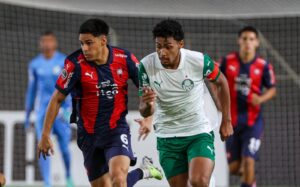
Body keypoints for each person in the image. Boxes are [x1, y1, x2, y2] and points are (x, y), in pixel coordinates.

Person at [37, 18, 163, 187]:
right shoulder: (75, 64)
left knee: (118, 179)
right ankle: (144, 171)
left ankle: (141, 171)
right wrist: (45, 135)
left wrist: (148, 118)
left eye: (89, 43)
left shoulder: (125, 59)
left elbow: (147, 90)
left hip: (115, 130)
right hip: (88, 135)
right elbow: (56, 99)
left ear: (103, 40)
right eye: (82, 43)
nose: (85, 48)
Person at [138, 19, 233, 187]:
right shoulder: (146, 65)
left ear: (180, 44)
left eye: (168, 46)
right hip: (167, 136)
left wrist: (226, 120)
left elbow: (222, 82)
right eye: (158, 46)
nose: (162, 52)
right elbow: (145, 111)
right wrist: (147, 106)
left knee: (198, 181)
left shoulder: (199, 61)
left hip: (198, 131)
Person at [218, 26, 276, 187]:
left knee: (249, 161)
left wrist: (261, 98)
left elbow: (272, 89)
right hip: (231, 122)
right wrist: (218, 97)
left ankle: (249, 181)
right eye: (244, 39)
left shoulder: (263, 65)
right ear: (239, 41)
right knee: (234, 168)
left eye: (251, 39)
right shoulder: (227, 61)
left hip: (253, 123)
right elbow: (214, 79)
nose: (247, 43)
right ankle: (251, 182)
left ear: (257, 43)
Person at [24, 31, 73, 187]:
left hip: (60, 113)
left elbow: (69, 87)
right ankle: (47, 183)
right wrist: (27, 116)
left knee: (65, 148)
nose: (46, 44)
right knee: (43, 145)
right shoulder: (34, 64)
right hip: (42, 114)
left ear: (55, 43)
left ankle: (68, 176)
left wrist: (68, 109)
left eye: (49, 41)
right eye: (43, 41)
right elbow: (31, 91)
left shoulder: (63, 61)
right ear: (40, 44)